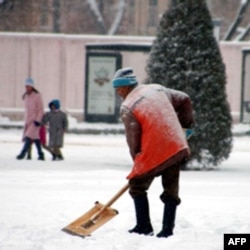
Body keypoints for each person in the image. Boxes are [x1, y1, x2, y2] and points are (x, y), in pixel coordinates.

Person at [112, 67, 195, 238]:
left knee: (136, 186)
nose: (118, 92)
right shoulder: (157, 89)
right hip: (175, 144)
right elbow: (184, 98)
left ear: (126, 86)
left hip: (154, 150)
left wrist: (137, 160)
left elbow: (133, 138)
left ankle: (144, 226)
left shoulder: (128, 106)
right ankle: (167, 230)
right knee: (171, 188)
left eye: (118, 88)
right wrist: (185, 128)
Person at [16, 77, 45, 160]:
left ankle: (22, 153)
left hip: (35, 121)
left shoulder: (37, 96)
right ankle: (41, 154)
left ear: (32, 86)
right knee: (36, 138)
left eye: (29, 86)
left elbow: (40, 109)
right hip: (28, 121)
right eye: (26, 86)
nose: (27, 88)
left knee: (28, 136)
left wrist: (38, 120)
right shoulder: (26, 97)